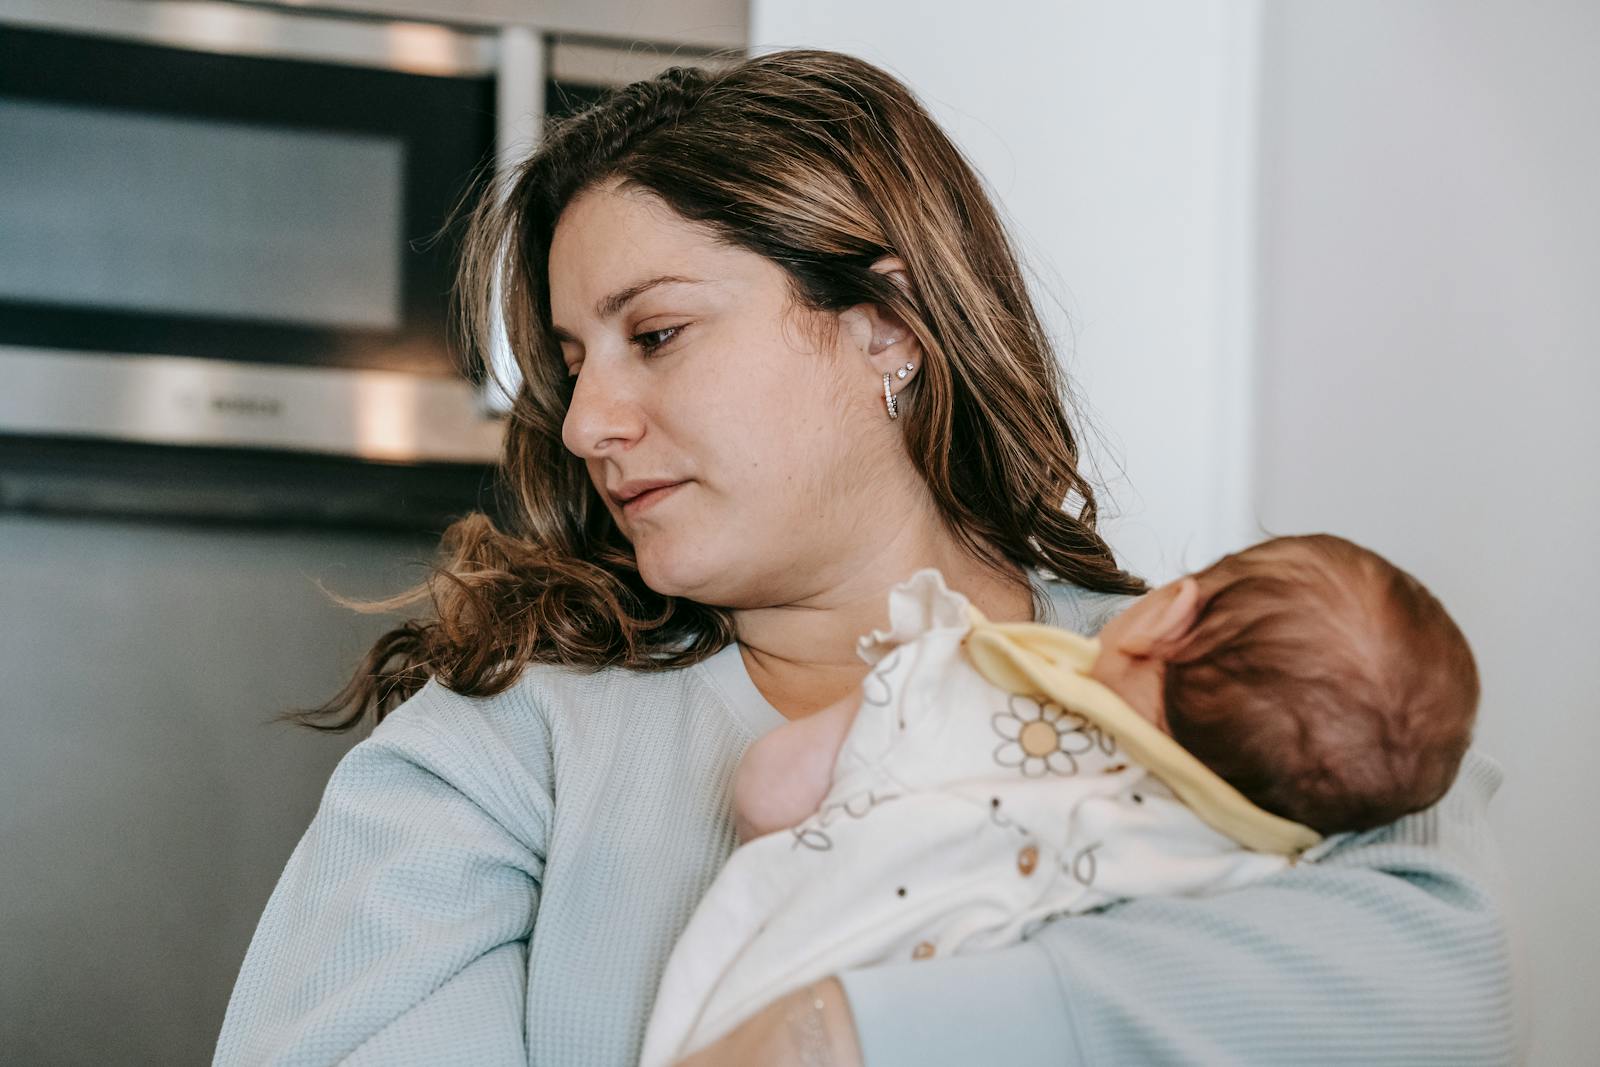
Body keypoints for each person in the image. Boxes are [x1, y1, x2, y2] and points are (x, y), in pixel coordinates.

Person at [212, 49, 1517, 1067]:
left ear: (886, 325)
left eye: (654, 334)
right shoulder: (501, 752)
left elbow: (1433, 991)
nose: (588, 416)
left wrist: (839, 1029)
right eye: (570, 360)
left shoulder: (1239, 686)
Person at [641, 534, 1482, 1064]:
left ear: (1163, 616)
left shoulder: (960, 677)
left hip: (769, 1011)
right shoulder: (1252, 867)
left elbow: (769, 789)